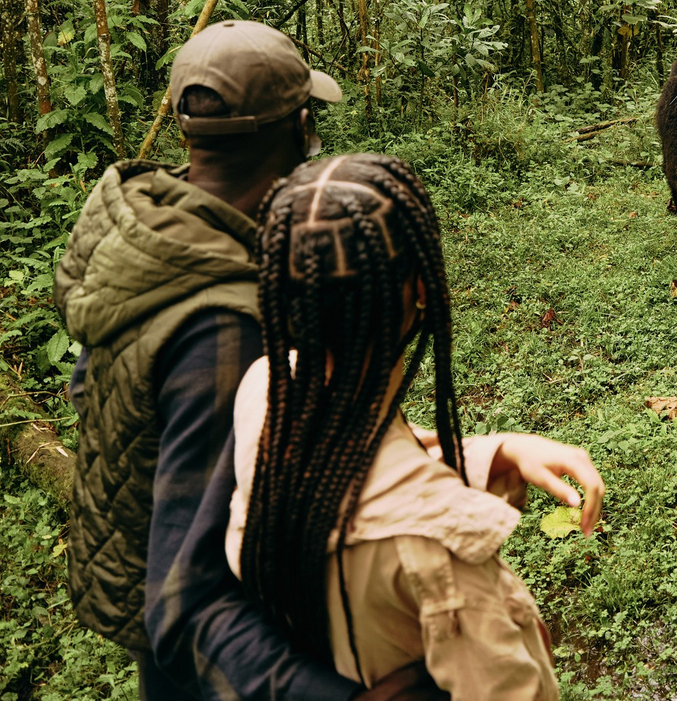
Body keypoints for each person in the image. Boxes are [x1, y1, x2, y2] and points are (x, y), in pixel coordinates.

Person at [56, 21, 600, 700]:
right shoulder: (228, 333)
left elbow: (292, 456)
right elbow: (184, 602)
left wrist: (484, 454)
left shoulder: (145, 233)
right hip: (225, 671)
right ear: (301, 128)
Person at [225, 154, 598, 698]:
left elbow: (366, 464)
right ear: (422, 287)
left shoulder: (267, 391)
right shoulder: (438, 553)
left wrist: (496, 452)